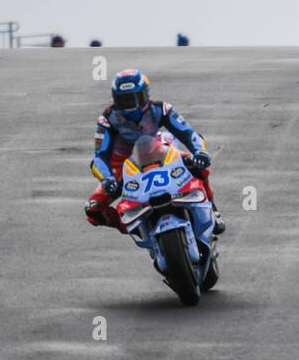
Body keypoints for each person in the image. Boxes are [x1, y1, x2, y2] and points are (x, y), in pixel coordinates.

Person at [84, 69, 225, 235]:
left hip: (157, 150)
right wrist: (107, 179)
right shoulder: (107, 119)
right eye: (125, 101)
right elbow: (100, 157)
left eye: (136, 98)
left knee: (200, 165)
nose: (132, 106)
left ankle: (212, 210)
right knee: (93, 209)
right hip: (122, 166)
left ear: (145, 94)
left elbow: (188, 133)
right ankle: (135, 229)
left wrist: (200, 152)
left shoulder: (161, 109)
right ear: (116, 100)